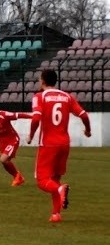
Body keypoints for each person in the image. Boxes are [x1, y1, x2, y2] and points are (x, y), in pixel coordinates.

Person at [27, 69, 91, 223]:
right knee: (55, 178)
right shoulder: (67, 96)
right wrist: (88, 130)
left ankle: (60, 190)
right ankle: (56, 214)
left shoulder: (39, 96)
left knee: (43, 181)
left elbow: (36, 118)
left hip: (48, 144)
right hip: (64, 144)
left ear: (42, 81)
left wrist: (30, 135)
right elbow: (84, 115)